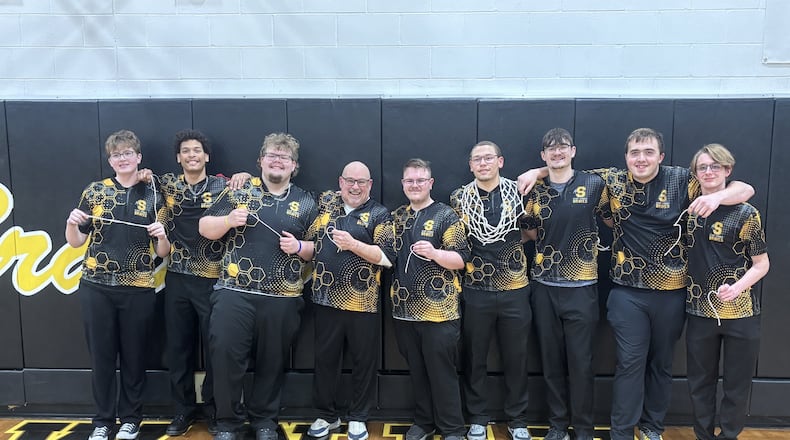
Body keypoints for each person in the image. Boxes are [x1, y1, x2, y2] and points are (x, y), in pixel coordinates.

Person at [517, 128, 754, 440]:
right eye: (635, 153)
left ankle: (653, 427)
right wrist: (538, 170)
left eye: (648, 152)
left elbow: (745, 188)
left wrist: (718, 196)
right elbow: (564, 168)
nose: (641, 158)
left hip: (671, 292)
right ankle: (622, 432)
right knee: (629, 363)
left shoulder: (683, 178)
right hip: (627, 292)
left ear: (661, 156)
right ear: (626, 156)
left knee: (661, 364)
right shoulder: (611, 180)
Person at [198, 133, 318, 440]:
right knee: (225, 357)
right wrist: (227, 221)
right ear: (260, 161)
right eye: (272, 155)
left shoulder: (306, 201)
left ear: (294, 166)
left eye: (284, 157)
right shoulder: (239, 190)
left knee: (272, 361)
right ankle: (227, 422)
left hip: (283, 297)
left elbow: (318, 248)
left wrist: (300, 247)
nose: (277, 161)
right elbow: (204, 227)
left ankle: (265, 420)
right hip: (234, 292)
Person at [65, 129, 170, 440]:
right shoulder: (95, 191)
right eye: (116, 155)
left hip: (138, 287)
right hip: (96, 286)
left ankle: (130, 419)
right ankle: (102, 421)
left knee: (135, 356)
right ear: (110, 160)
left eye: (128, 153)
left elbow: (163, 252)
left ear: (138, 157)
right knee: (102, 355)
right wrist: (71, 224)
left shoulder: (153, 194)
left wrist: (162, 236)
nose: (122, 159)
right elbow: (75, 242)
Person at [521, 129, 609, 440]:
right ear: (543, 155)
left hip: (582, 287)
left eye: (563, 148)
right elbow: (529, 232)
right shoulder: (535, 190)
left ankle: (583, 429)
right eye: (550, 149)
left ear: (573, 151)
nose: (557, 153)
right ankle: (558, 426)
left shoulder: (595, 184)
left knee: (581, 363)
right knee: (551, 361)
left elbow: (613, 221)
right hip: (544, 286)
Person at [306, 161, 396, 440]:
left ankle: (358, 416)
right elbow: (308, 242)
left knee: (363, 361)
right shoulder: (324, 204)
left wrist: (353, 244)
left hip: (363, 303)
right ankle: (326, 415)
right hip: (324, 299)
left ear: (370, 185)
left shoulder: (380, 214)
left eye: (361, 182)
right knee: (325, 360)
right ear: (340, 182)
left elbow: (387, 258)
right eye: (350, 181)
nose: (355, 187)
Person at [684, 144, 769, 440]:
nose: (708, 172)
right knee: (699, 384)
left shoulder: (747, 214)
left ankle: (729, 436)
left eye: (715, 167)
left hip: (741, 314)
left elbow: (762, 265)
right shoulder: (690, 206)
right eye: (703, 167)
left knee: (736, 385)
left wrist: (736, 288)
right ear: (695, 174)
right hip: (699, 312)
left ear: (727, 171)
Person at [448, 142, 531, 440]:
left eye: (488, 158)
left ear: (500, 161)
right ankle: (478, 417)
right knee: (475, 357)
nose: (483, 164)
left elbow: (532, 232)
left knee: (517, 357)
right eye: (477, 160)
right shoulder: (460, 197)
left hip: (515, 288)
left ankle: (518, 419)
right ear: (470, 165)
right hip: (476, 288)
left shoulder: (519, 193)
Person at [391, 159, 470, 440]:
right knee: (418, 372)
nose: (415, 185)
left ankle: (452, 429)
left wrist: (436, 253)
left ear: (430, 183)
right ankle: (424, 422)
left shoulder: (447, 216)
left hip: (440, 313)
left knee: (442, 374)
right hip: (403, 312)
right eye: (409, 181)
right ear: (402, 184)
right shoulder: (396, 217)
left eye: (420, 180)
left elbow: (461, 259)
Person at [156, 129, 229, 436]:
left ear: (206, 156)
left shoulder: (224, 187)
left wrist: (239, 176)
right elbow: (142, 177)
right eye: (185, 151)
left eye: (197, 150)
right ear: (178, 157)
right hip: (177, 278)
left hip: (213, 280)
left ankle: (213, 409)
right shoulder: (167, 185)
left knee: (216, 350)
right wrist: (145, 172)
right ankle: (183, 410)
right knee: (178, 349)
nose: (191, 155)